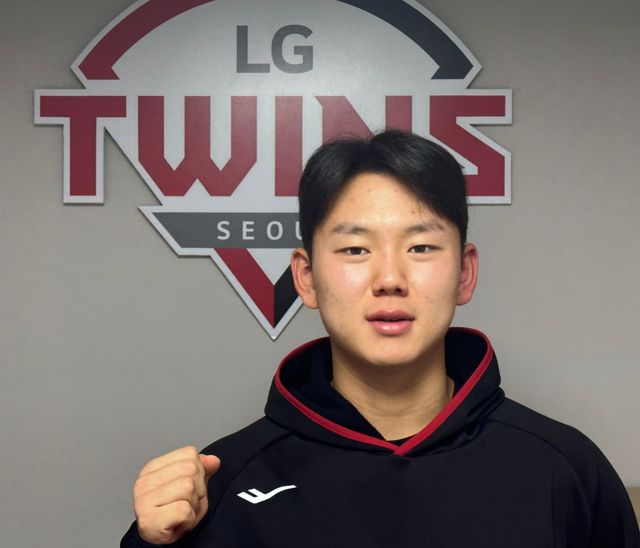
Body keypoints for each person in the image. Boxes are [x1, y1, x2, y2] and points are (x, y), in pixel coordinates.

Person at [121, 131, 640, 547]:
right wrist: (149, 545)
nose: (389, 278)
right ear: (306, 277)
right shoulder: (223, 483)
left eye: (420, 247)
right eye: (355, 250)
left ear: (465, 273)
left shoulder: (566, 470)